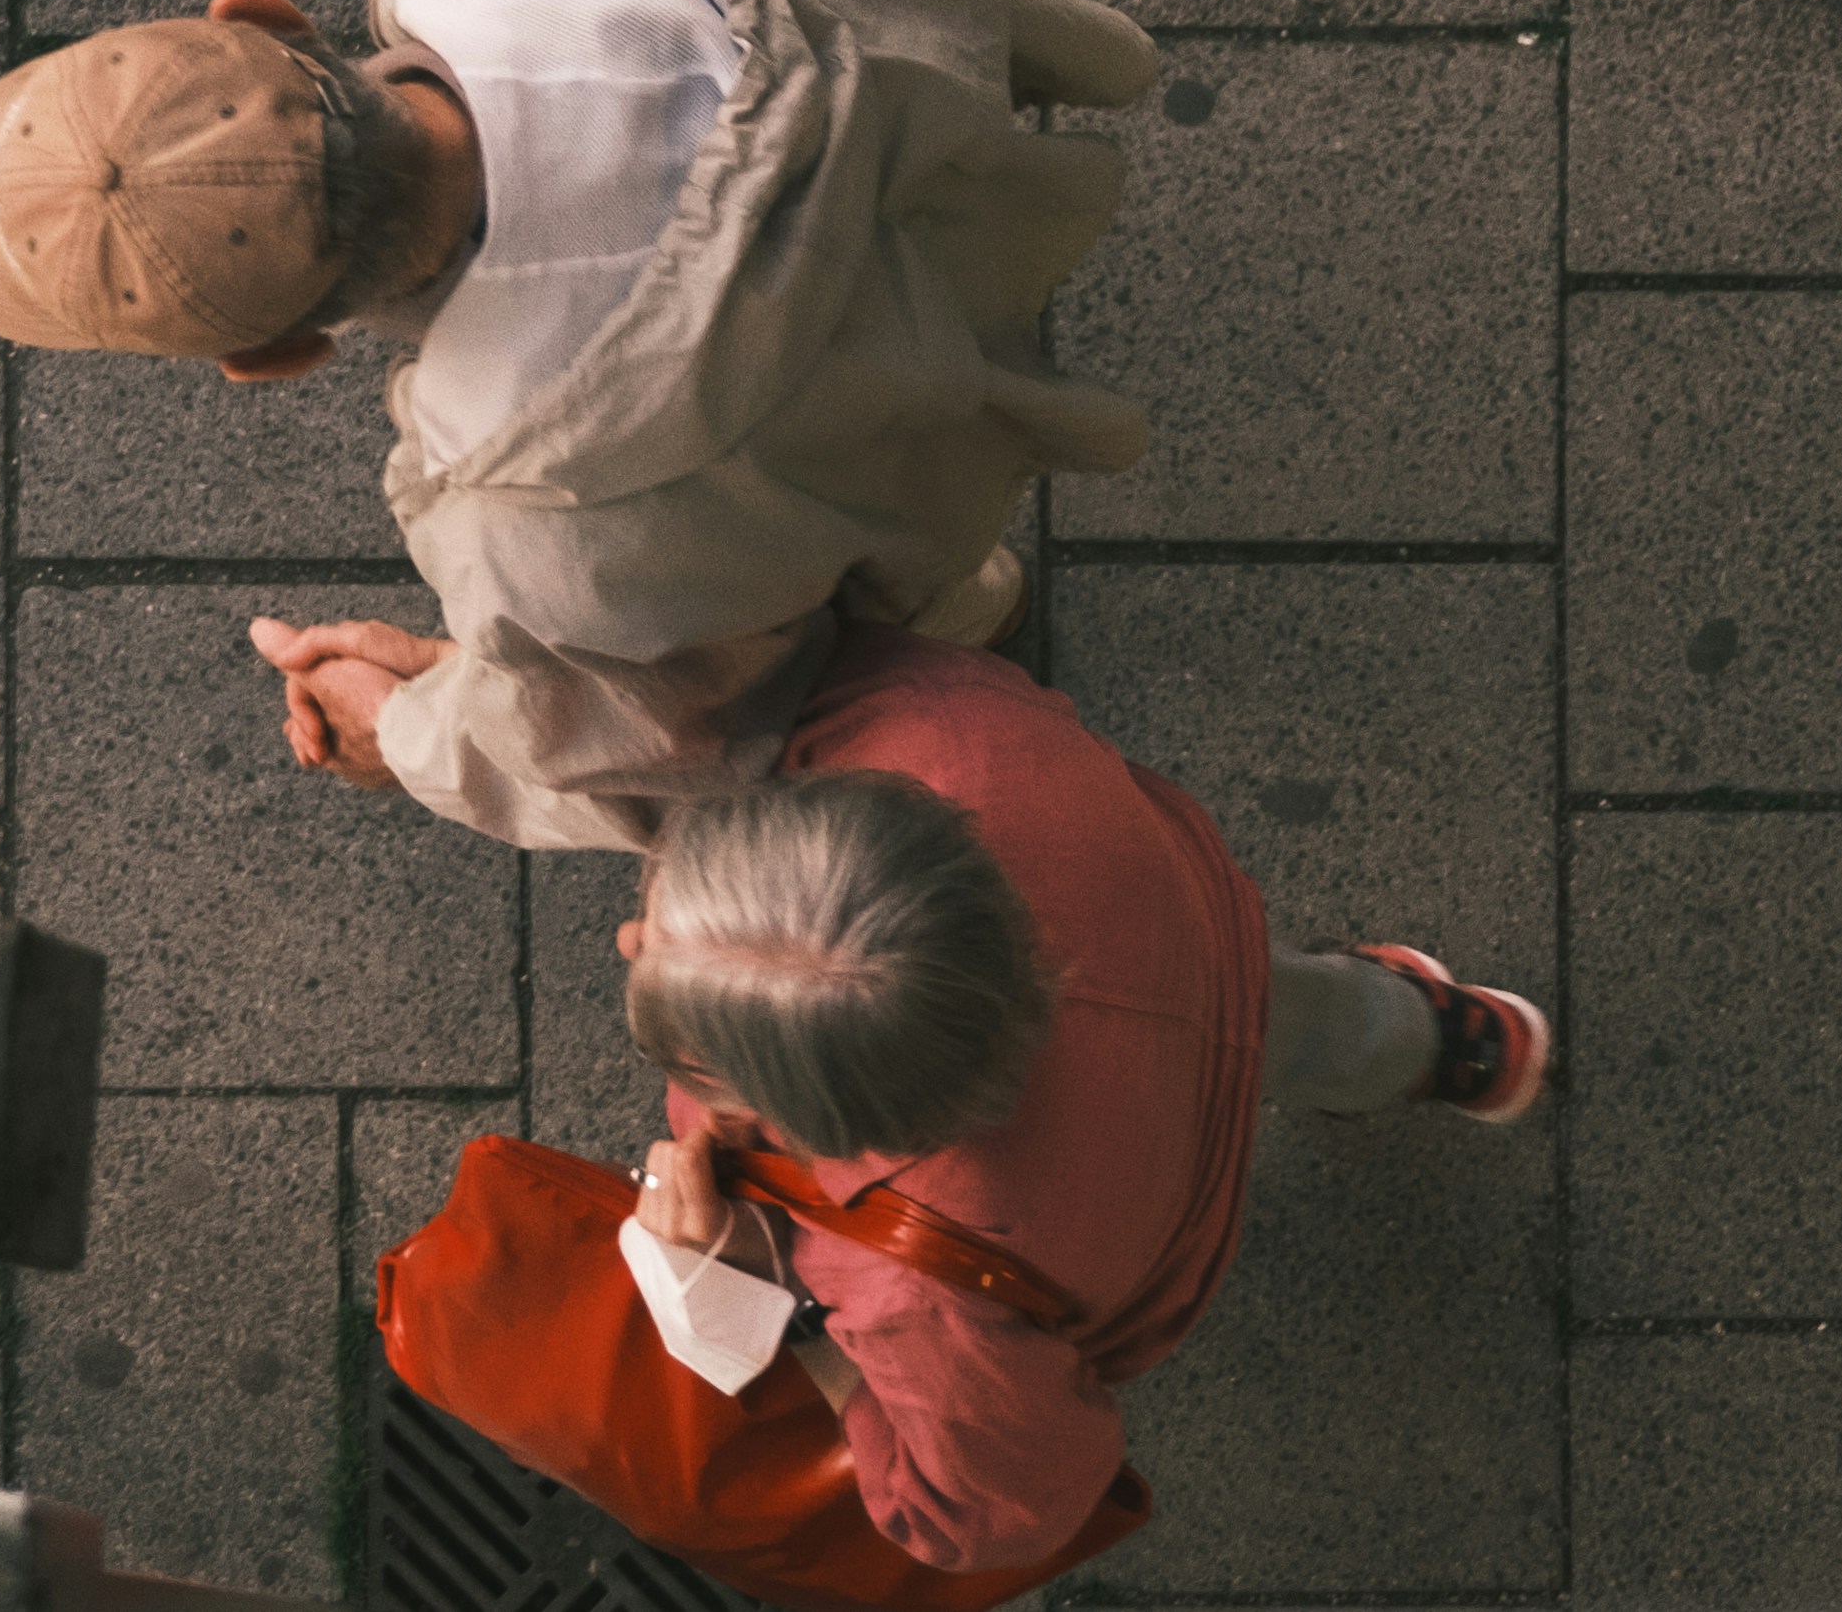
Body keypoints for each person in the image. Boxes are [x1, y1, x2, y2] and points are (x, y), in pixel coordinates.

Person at [0, 0, 1161, 850]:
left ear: (280, 354)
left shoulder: (557, 547)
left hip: (908, 440)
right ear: (260, 13)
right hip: (967, 162)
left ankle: (973, 613)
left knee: (913, 583)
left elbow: (659, 752)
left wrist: (407, 726)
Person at [537, 621, 1546, 1587]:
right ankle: (1452, 1041)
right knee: (1304, 1019)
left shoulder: (901, 1279)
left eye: (704, 1056)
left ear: (821, 1124)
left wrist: (767, 1308)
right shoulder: (940, 732)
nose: (625, 944)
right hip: (1177, 935)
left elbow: (980, 1511)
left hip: (1145, 1208)